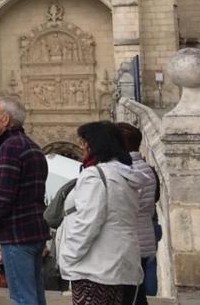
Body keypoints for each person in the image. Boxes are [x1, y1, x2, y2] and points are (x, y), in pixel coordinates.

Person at [56, 121, 150, 305]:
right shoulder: (123, 175)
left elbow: (87, 223)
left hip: (95, 269)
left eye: (84, 142)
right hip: (121, 265)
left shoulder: (95, 176)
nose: (82, 147)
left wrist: (68, 257)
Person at [0, 98, 48, 305]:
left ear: (5, 119)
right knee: (35, 294)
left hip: (16, 234)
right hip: (34, 230)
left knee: (22, 297)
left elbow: (3, 196)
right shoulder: (32, 146)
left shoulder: (10, 148)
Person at [115, 123, 158, 305]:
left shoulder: (132, 171)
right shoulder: (145, 168)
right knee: (136, 294)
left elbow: (126, 207)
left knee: (130, 296)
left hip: (133, 241)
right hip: (142, 238)